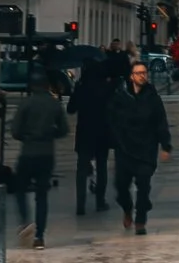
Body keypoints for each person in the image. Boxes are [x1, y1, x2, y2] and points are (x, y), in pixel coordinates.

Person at [110, 58, 171, 234]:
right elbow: (111, 120)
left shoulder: (153, 98)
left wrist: (166, 145)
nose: (142, 76)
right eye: (138, 73)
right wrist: (115, 140)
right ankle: (127, 208)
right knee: (121, 186)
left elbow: (161, 122)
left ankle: (141, 220)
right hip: (125, 150)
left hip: (146, 150)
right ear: (131, 76)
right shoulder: (121, 96)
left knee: (144, 186)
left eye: (144, 73)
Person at [11, 70, 69, 248]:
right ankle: (39, 237)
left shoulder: (26, 103)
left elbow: (15, 131)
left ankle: (25, 220)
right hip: (46, 153)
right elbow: (64, 129)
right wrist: (50, 134)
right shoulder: (54, 104)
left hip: (28, 152)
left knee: (20, 187)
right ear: (47, 85)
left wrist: (27, 136)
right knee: (42, 196)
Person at [72, 54, 117, 217]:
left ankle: (80, 204)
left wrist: (77, 89)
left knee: (82, 169)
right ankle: (100, 201)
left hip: (84, 132)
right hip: (102, 132)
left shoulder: (81, 87)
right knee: (102, 167)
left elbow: (70, 108)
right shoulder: (105, 87)